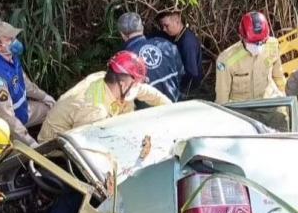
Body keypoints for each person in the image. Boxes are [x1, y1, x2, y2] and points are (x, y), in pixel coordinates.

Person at [38, 51, 172, 142]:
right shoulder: (95, 109)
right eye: (136, 83)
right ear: (123, 84)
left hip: (80, 128)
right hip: (54, 150)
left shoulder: (107, 79)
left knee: (127, 103)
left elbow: (147, 92)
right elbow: (84, 145)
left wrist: (172, 109)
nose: (139, 86)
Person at [0, 22, 56, 148]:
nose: (16, 41)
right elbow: (7, 116)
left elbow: (26, 84)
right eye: (10, 39)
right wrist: (29, 142)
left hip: (23, 111)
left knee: (54, 112)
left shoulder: (11, 57)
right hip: (5, 127)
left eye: (14, 37)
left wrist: (45, 97)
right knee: (20, 153)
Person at [215, 11, 287, 130]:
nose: (258, 46)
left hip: (267, 102)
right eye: (253, 43)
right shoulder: (226, 60)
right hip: (242, 108)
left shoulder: (272, 45)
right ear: (242, 37)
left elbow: (278, 76)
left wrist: (285, 99)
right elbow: (222, 97)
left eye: (262, 42)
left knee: (284, 127)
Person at [118, 12, 184, 106]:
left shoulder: (122, 61)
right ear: (142, 28)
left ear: (122, 34)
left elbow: (122, 96)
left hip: (148, 117)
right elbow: (181, 75)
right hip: (175, 109)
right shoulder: (166, 44)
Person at [156, 9, 204, 97]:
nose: (164, 29)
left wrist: (179, 90)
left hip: (187, 90)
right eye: (162, 26)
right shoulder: (176, 35)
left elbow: (192, 72)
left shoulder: (187, 43)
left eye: (166, 26)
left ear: (177, 21)